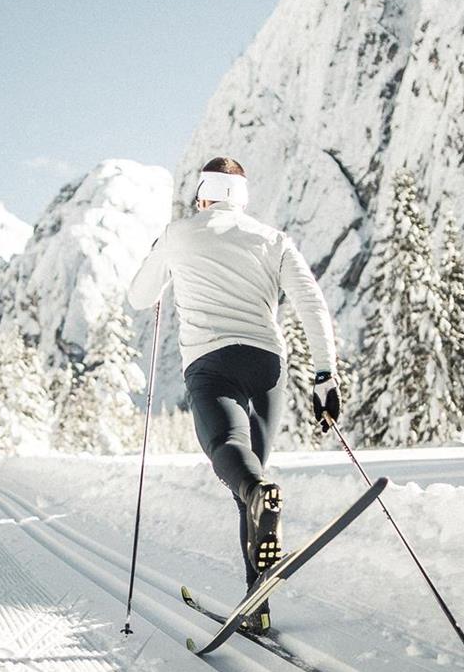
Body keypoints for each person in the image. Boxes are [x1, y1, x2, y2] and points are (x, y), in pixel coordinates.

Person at [126, 156, 341, 635]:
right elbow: (310, 303)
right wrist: (325, 375)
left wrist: (161, 251)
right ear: (242, 198)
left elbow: (140, 296)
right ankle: (257, 601)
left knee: (232, 456)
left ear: (203, 194)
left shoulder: (179, 233)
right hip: (267, 365)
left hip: (211, 364)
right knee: (254, 479)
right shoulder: (272, 239)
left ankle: (256, 517)